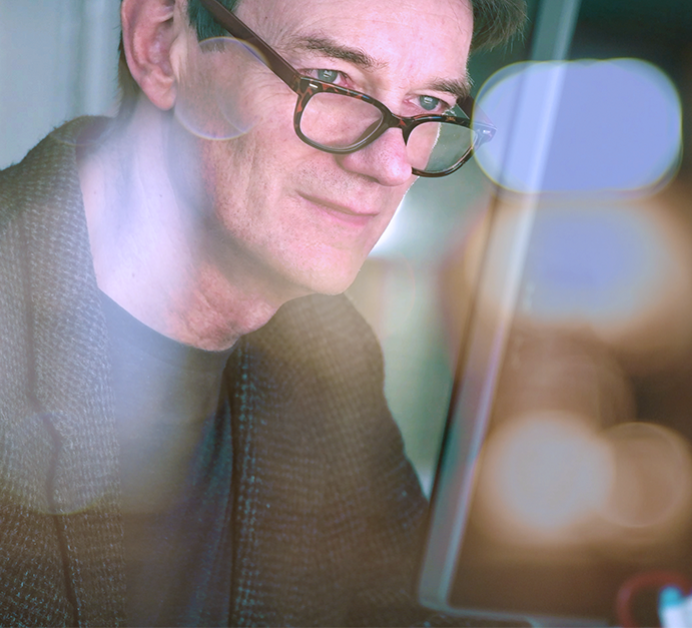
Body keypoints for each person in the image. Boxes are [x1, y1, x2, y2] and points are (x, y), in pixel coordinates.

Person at [0, 0, 523, 624]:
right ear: (161, 45)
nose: (390, 165)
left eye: (430, 107)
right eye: (333, 81)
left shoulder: (328, 355)